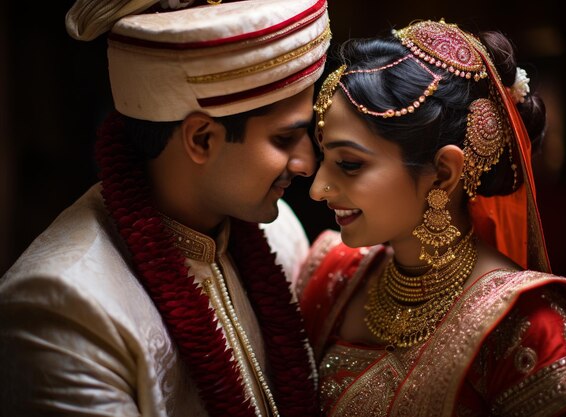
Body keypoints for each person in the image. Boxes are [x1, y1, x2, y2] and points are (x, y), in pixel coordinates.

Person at [0, 0, 331, 416]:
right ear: (202, 140)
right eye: (285, 139)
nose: (306, 164)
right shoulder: (65, 309)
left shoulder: (278, 232)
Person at [294, 19, 566, 416]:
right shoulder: (332, 277)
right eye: (323, 157)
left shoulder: (526, 325)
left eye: (348, 164)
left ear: (444, 172)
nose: (317, 188)